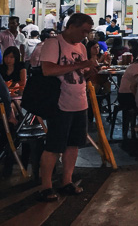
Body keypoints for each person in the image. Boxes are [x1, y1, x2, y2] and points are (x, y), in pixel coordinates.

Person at [38, 13, 98, 202]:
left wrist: (90, 70)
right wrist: (81, 65)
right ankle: (46, 186)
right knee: (54, 146)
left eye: (88, 32)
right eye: (83, 31)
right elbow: (48, 70)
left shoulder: (81, 47)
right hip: (59, 103)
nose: (85, 36)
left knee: (73, 145)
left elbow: (80, 74)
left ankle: (67, 181)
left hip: (79, 102)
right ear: (71, 26)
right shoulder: (53, 43)